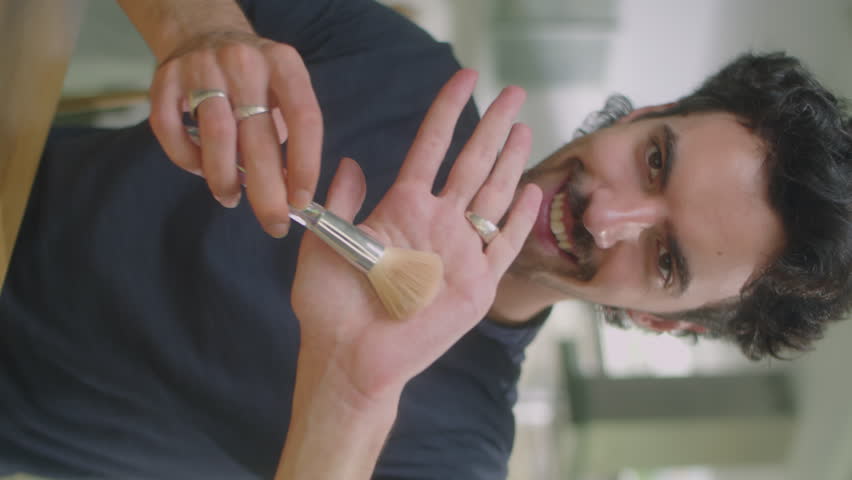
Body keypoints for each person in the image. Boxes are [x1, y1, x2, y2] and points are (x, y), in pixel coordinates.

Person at [1, 0, 850, 479]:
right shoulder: (401, 65)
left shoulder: (460, 452)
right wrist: (201, 32)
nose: (606, 216)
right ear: (651, 113)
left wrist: (350, 393)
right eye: (655, 161)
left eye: (664, 259)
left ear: (661, 321)